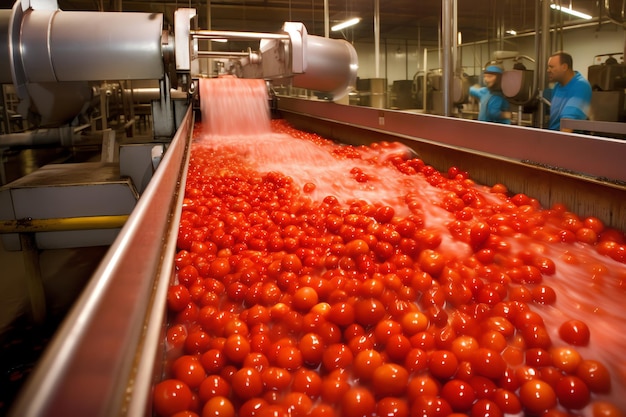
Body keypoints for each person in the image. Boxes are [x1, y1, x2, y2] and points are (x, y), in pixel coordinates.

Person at [546, 51, 592, 131]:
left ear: (564, 67)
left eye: (551, 67)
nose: (548, 70)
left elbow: (568, 124)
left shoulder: (581, 86)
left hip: (568, 140)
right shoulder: (557, 85)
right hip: (554, 137)